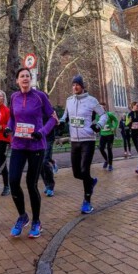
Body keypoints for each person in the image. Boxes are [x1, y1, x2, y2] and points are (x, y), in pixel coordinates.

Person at [4, 68, 57, 237]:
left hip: (36, 146)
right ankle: (22, 216)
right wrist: (8, 127)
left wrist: (41, 132)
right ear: (17, 81)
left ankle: (36, 221)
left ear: (31, 80)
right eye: (22, 76)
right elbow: (12, 117)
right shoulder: (14, 97)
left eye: (28, 76)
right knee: (13, 181)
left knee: (31, 184)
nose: (25, 78)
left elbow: (53, 118)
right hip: (18, 145)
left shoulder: (40, 96)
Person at [60, 75, 107, 214]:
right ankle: (91, 181)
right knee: (76, 173)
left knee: (84, 170)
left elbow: (103, 115)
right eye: (73, 85)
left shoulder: (92, 100)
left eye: (77, 84)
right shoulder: (69, 101)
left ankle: (87, 201)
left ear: (82, 86)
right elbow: (65, 116)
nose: (75, 87)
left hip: (88, 140)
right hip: (74, 141)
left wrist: (99, 125)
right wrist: (60, 121)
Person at [98, 104, 119, 171]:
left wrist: (114, 127)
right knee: (101, 148)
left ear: (105, 108)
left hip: (110, 135)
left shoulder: (109, 114)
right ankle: (106, 160)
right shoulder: (97, 115)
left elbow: (116, 120)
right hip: (102, 135)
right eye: (100, 107)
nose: (102, 109)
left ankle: (110, 165)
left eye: (103, 107)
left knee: (109, 149)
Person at [40, 121, 58, 197]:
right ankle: (47, 184)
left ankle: (50, 186)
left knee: (44, 161)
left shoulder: (50, 110)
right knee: (40, 162)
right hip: (38, 138)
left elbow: (56, 122)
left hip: (48, 138)